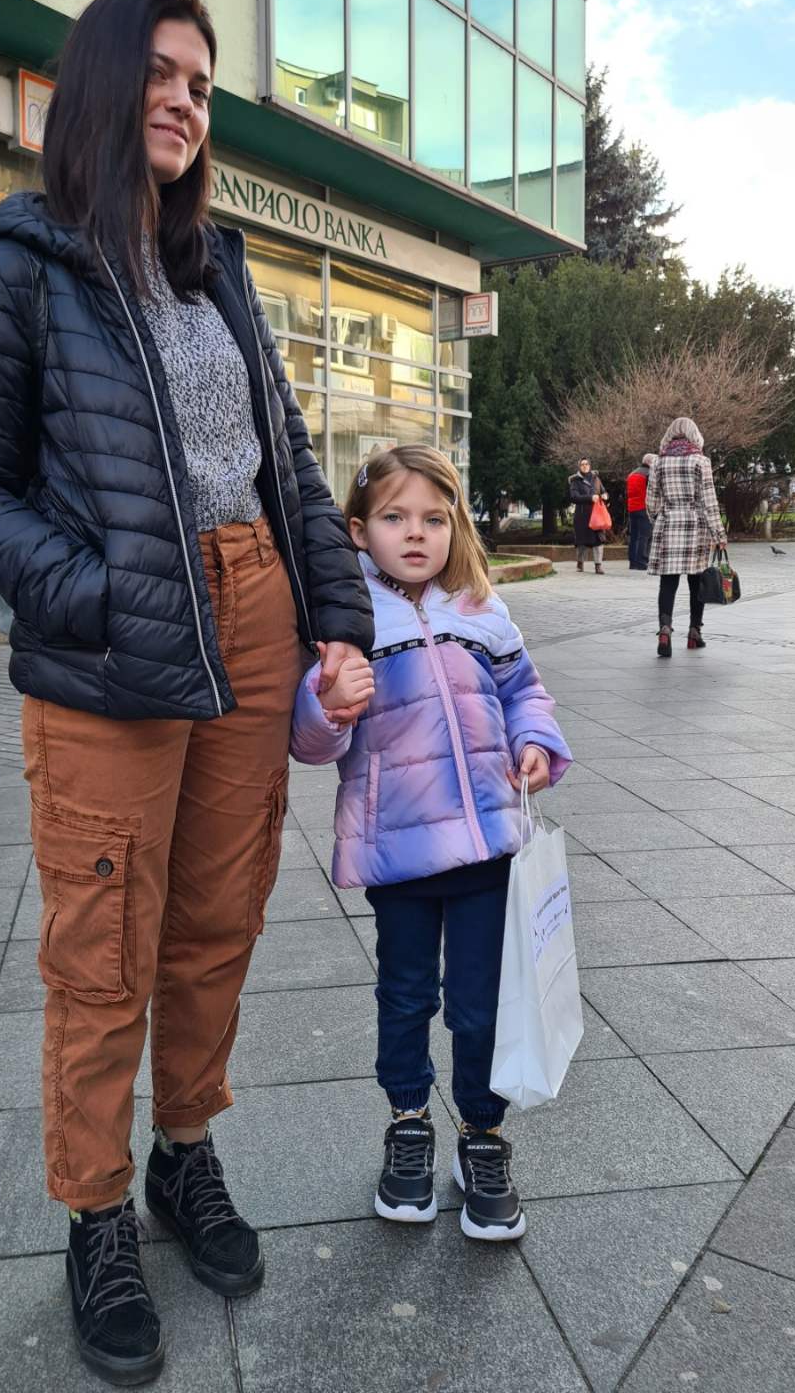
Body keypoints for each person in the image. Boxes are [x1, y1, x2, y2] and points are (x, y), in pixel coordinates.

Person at [0, 0, 373, 1386]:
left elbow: (288, 467)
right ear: (105, 84)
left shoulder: (214, 267)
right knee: (104, 945)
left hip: (254, 615)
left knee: (217, 918)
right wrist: (98, 592)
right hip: (112, 647)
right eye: (165, 74)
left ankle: (184, 1152)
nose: (186, 101)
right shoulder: (23, 260)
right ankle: (96, 1213)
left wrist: (339, 615)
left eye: (203, 85)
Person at [291, 444, 573, 1243]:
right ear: (358, 530)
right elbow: (310, 743)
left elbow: (524, 691)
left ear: (456, 527)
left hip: (488, 846)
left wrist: (535, 742)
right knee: (407, 996)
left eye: (434, 518)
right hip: (401, 851)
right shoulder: (344, 623)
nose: (416, 533)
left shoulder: (482, 609)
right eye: (394, 517)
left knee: (481, 1006)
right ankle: (409, 1123)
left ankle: (481, 1134)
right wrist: (327, 703)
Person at [647, 416, 727, 659]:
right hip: (695, 526)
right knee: (696, 582)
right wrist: (719, 533)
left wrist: (659, 518)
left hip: (668, 524)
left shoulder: (659, 462)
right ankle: (694, 632)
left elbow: (651, 502)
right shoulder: (700, 461)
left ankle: (664, 630)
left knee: (668, 583)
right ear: (695, 435)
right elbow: (710, 502)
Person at [569, 457, 609, 573]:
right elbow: (574, 497)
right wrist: (590, 498)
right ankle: (580, 563)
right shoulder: (575, 481)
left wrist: (605, 496)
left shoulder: (596, 478)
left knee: (599, 540)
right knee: (582, 541)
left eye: (586, 464)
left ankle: (598, 565)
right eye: (582, 464)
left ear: (590, 466)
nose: (585, 466)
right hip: (582, 516)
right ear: (579, 466)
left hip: (597, 515)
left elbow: (603, 491)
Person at [626, 453, 657, 569]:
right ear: (650, 462)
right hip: (644, 508)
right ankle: (642, 562)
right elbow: (653, 492)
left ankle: (633, 562)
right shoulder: (649, 474)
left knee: (634, 535)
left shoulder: (632, 474)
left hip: (632, 508)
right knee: (645, 535)